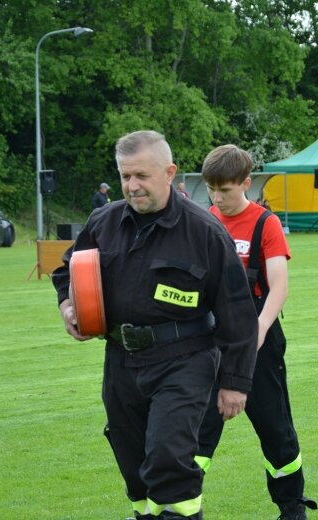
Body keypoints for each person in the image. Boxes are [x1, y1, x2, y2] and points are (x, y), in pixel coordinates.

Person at [52, 131, 259, 520]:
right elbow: (67, 271)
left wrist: (235, 383)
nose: (132, 186)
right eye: (125, 176)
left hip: (185, 359)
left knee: (168, 456)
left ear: (169, 173)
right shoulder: (104, 221)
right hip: (122, 362)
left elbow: (237, 312)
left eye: (142, 176)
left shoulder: (205, 232)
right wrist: (68, 307)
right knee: (134, 468)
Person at [196, 144, 316, 520]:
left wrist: (259, 328)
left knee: (275, 427)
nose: (218, 198)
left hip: (260, 343)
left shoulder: (266, 223)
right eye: (212, 190)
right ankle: (177, 505)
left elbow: (279, 283)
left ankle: (292, 507)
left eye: (226, 190)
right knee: (197, 430)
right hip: (209, 341)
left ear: (246, 183)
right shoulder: (202, 222)